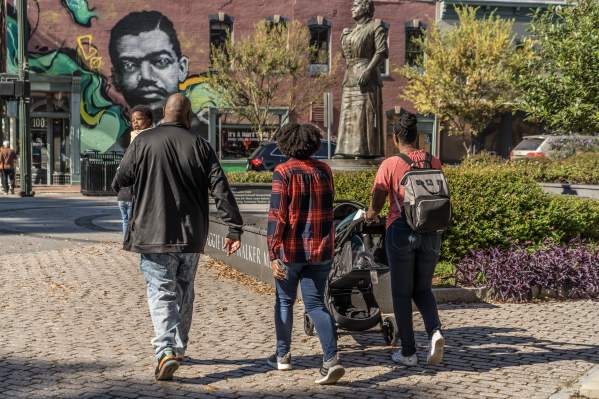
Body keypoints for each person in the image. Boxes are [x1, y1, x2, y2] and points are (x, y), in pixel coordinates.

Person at [112, 94, 243, 381]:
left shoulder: (143, 141)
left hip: (152, 231)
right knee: (184, 289)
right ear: (188, 115)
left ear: (163, 113)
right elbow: (220, 188)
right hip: (191, 234)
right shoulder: (200, 146)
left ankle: (166, 351)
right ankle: (178, 347)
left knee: (161, 291)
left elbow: (119, 180)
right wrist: (234, 228)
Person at [267, 123, 345, 385]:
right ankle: (331, 359)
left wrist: (272, 252)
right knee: (315, 305)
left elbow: (277, 216)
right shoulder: (325, 170)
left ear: (286, 143)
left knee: (285, 301)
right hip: (321, 250)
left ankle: (282, 355)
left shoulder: (283, 172)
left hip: (290, 251)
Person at [366, 112, 445, 367]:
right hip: (431, 232)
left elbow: (378, 196)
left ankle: (409, 352)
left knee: (401, 293)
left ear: (395, 137)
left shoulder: (391, 163)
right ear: (418, 136)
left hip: (401, 230)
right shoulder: (434, 161)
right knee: (423, 289)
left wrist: (371, 213)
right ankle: (435, 332)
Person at [334, 0, 387, 158]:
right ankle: (344, 150)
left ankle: (364, 151)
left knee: (364, 115)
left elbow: (381, 51)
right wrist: (343, 39)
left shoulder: (375, 26)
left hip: (366, 78)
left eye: (355, 6)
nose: (352, 9)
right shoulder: (350, 31)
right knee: (347, 114)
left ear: (365, 8)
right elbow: (345, 55)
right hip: (350, 77)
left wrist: (369, 70)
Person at [113, 105, 153, 236]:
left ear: (149, 120)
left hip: (125, 193)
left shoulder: (139, 137)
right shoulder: (141, 137)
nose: (135, 122)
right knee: (132, 221)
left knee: (126, 220)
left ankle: (128, 241)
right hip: (131, 193)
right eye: (133, 120)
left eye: (139, 119)